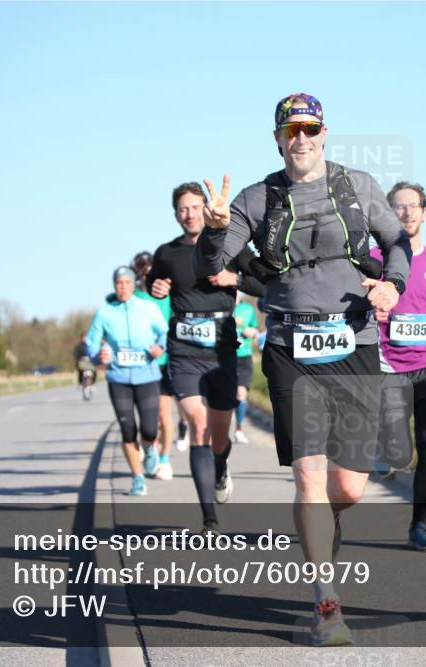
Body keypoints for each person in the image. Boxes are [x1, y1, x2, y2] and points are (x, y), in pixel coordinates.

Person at [194, 93, 411, 647]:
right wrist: (216, 230)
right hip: (290, 344)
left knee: (349, 489)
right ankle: (327, 605)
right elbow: (213, 265)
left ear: (324, 132)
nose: (301, 138)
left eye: (310, 127)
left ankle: (322, 526)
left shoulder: (358, 186)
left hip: (354, 338)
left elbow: (396, 241)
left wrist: (394, 284)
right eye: (290, 130)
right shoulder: (253, 197)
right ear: (277, 138)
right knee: (310, 478)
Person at [148, 183, 264, 537]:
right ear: (175, 214)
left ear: (205, 208)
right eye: (183, 209)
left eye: (195, 207)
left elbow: (266, 282)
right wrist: (157, 287)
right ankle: (209, 519)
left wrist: (236, 278)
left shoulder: (231, 245)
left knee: (218, 433)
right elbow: (153, 280)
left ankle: (221, 464)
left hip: (223, 350)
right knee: (196, 425)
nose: (190, 214)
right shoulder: (167, 253)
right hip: (183, 350)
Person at [374, 182, 426, 551]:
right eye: (397, 206)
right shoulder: (374, 259)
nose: (406, 212)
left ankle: (419, 524)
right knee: (398, 451)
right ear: (387, 214)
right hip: (388, 367)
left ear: (425, 212)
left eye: (413, 206)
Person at [86, 266, 169, 496]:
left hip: (148, 375)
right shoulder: (104, 312)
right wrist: (97, 356)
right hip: (118, 377)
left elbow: (164, 332)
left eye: (126, 283)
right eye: (118, 283)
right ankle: (137, 477)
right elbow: (92, 342)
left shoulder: (148, 308)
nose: (122, 287)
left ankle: (150, 447)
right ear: (114, 286)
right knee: (127, 429)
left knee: (150, 429)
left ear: (134, 285)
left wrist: (159, 347)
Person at [130, 251, 176, 481]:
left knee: (163, 413)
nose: (146, 275)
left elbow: (176, 324)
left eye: (150, 270)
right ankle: (150, 448)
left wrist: (166, 347)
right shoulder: (135, 299)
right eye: (141, 272)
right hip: (142, 364)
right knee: (146, 415)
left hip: (166, 361)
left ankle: (165, 459)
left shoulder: (168, 296)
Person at [231, 293, 260, 444]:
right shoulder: (221, 306)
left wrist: (252, 331)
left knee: (240, 394)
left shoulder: (247, 308)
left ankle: (239, 429)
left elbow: (256, 330)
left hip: (244, 356)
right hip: (224, 356)